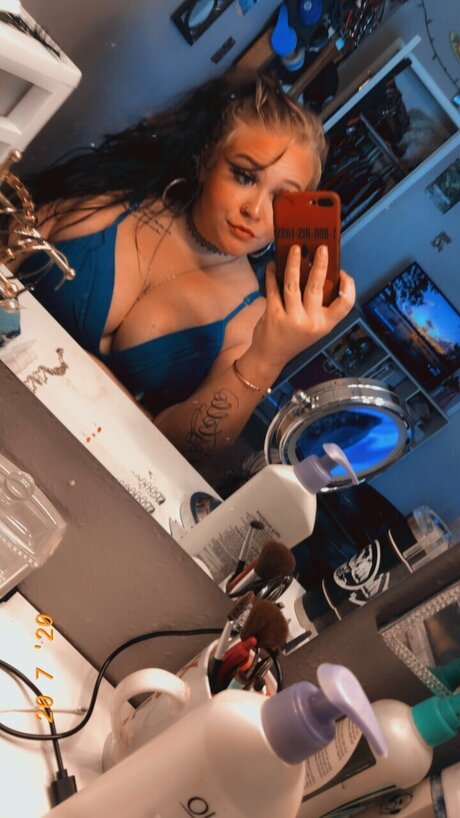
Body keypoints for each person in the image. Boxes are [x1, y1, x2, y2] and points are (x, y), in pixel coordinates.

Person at [12, 68, 355, 462]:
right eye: (244, 176)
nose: (255, 210)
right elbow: (9, 248)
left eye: (280, 200)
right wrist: (127, 405)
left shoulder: (251, 321)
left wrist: (268, 358)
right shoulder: (113, 198)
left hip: (64, 466)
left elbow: (179, 450)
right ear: (206, 161)